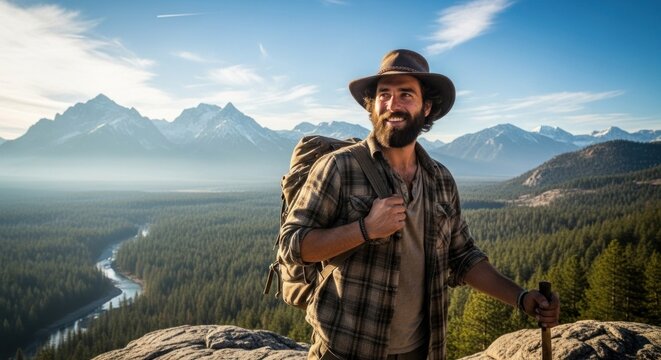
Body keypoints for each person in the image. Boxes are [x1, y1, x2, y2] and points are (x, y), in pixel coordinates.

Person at [279, 49, 560, 360]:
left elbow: (464, 256)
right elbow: (291, 246)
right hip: (345, 349)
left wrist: (521, 298)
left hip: (423, 351)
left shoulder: (440, 179)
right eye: (383, 94)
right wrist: (365, 228)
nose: (392, 104)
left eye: (405, 94)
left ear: (426, 108)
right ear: (372, 105)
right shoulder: (339, 168)